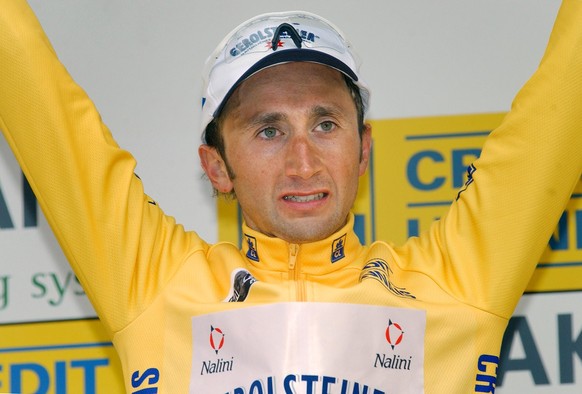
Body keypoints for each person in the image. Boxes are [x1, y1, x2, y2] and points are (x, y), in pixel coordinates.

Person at [1, 1, 581, 392]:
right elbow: (29, 84)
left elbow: (566, 92)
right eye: (269, 130)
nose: (303, 162)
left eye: (326, 124)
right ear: (216, 167)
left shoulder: (457, 282)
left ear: (363, 150)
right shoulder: (154, 284)